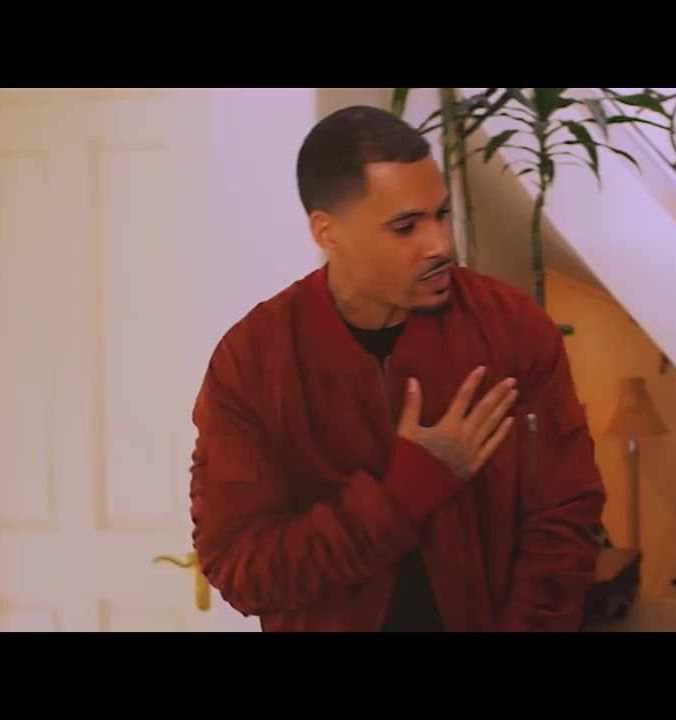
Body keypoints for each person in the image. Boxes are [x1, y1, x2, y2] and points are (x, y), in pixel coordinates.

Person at [188, 105, 607, 632]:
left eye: (441, 214)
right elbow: (242, 570)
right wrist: (403, 495)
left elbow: (565, 525)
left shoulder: (512, 327)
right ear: (328, 233)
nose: (441, 245)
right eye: (406, 227)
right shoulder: (251, 361)